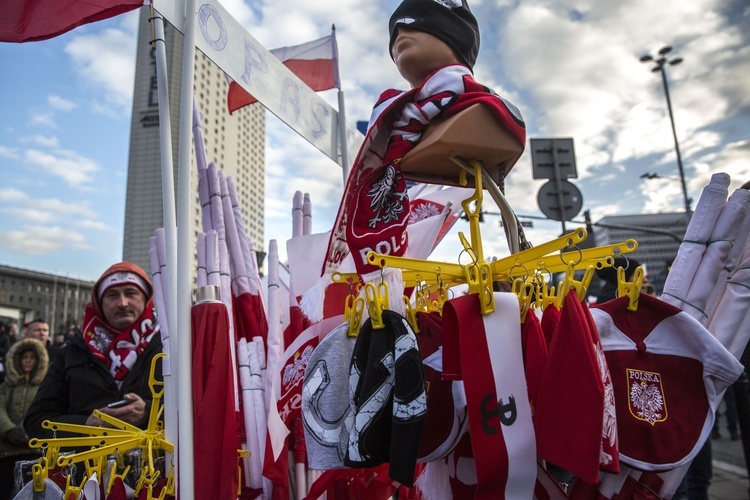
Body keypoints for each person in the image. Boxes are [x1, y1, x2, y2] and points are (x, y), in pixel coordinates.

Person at [24, 262, 162, 440]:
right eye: (112, 295)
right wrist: (85, 426)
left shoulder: (169, 346)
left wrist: (149, 412)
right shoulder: (73, 351)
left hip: (157, 464)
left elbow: (195, 410)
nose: (122, 303)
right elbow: (36, 421)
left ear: (146, 298)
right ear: (99, 303)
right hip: (87, 465)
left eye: (131, 293)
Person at [0, 338, 49, 500]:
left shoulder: (46, 386)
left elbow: (44, 410)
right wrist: (10, 430)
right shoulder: (7, 385)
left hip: (33, 449)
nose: (28, 361)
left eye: (32, 357)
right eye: (24, 357)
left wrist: (27, 431)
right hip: (7, 448)